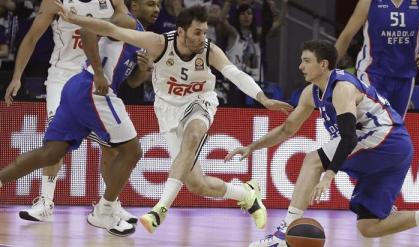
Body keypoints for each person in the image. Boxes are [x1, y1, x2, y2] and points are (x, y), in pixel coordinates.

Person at [54, 4, 293, 234]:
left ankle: (159, 210)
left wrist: (263, 99)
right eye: (197, 32)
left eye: (205, 31)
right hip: (168, 110)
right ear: (181, 32)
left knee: (193, 134)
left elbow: (236, 74)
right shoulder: (158, 44)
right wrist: (73, 19)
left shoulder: (210, 50)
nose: (202, 37)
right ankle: (246, 194)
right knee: (197, 185)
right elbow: (111, 30)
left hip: (200, 103)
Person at [225, 40, 419, 247]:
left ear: (324, 65)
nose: (300, 66)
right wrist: (252, 146)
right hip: (394, 149)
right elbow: (288, 128)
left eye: (306, 61)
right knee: (369, 226)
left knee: (313, 159)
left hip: (386, 140)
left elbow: (348, 138)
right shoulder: (311, 93)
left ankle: (283, 233)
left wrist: (329, 174)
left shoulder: (342, 88)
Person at [0, 10, 153, 236]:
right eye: (150, 3)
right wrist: (99, 73)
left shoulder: (143, 36)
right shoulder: (127, 20)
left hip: (78, 88)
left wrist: (143, 70)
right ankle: (105, 210)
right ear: (135, 4)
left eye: (158, 3)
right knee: (132, 151)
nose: (156, 8)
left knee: (51, 153)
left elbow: (132, 82)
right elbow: (87, 30)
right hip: (94, 89)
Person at [335, 0, 419, 118]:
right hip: (372, 73)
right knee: (371, 124)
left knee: (394, 128)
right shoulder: (369, 2)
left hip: (405, 77)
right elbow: (346, 36)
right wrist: (328, 68)